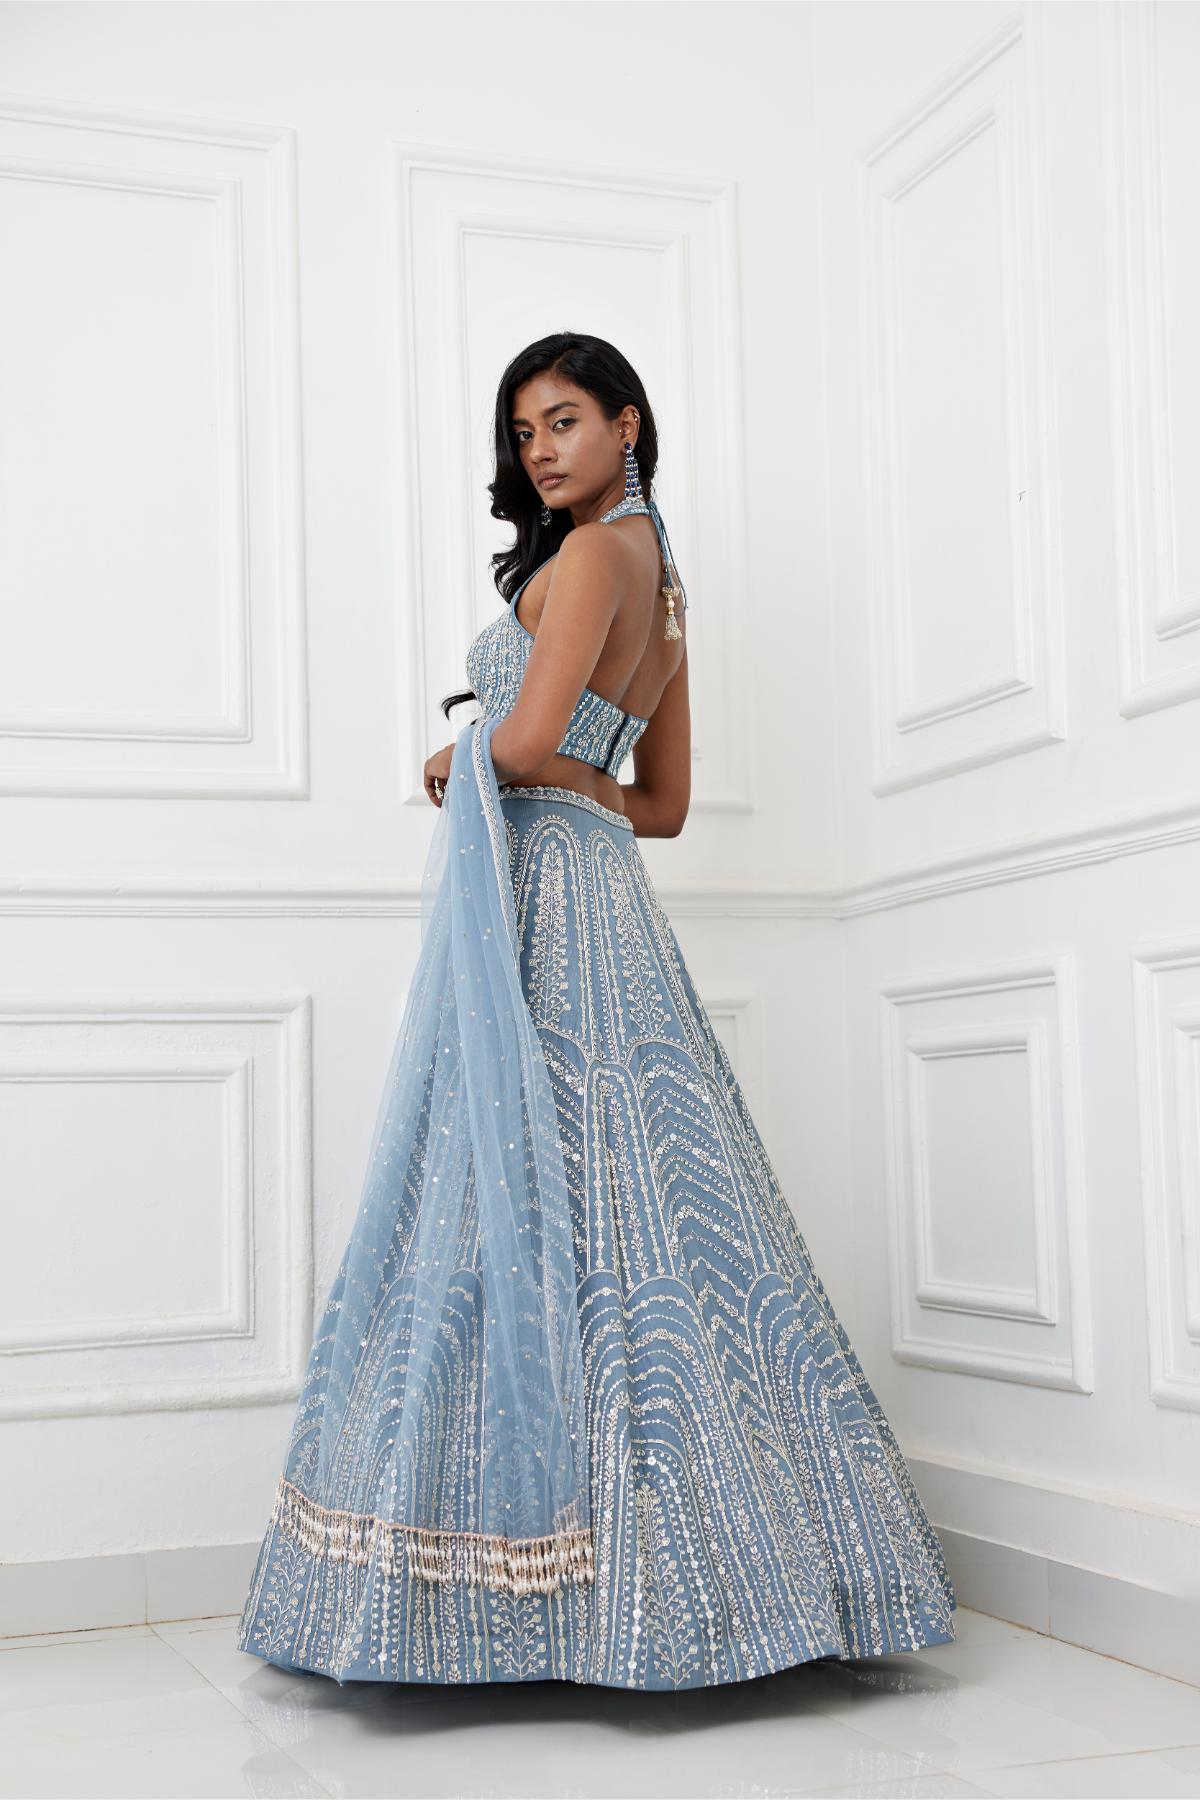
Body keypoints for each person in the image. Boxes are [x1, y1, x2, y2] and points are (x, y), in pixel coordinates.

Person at [236, 332, 957, 1690]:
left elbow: (523, 742)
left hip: (542, 899)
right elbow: (661, 806)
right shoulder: (664, 588)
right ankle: (742, 1576)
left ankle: (543, 1599)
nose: (542, 450)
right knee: (643, 1199)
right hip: (607, 890)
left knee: (523, 1188)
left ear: (629, 422)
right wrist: (563, 776)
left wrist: (459, 752)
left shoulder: (585, 562)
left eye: (565, 420)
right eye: (524, 433)